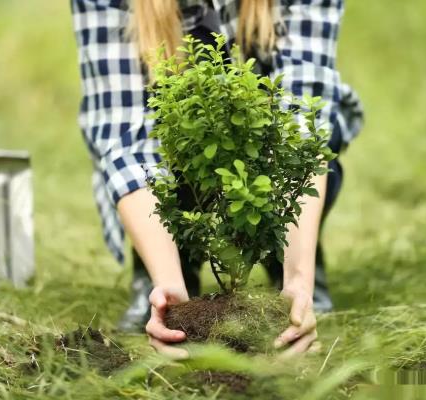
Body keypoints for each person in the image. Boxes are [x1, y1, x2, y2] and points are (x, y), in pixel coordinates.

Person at [70, 0, 362, 356]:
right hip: (172, 156)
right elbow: (126, 142)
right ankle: (163, 266)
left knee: (307, 145)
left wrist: (299, 279)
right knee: (181, 140)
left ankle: (288, 258)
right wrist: (168, 285)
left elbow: (302, 121)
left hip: (266, 145)